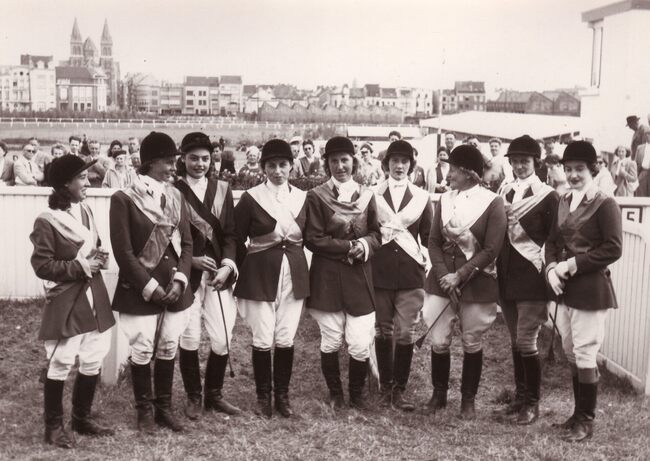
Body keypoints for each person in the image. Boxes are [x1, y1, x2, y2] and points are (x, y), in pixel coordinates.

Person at [110, 131, 193, 434]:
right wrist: (150, 287)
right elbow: (123, 252)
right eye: (168, 161)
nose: (173, 167)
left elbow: (187, 245)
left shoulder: (176, 196)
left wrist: (180, 280)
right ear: (150, 163)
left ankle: (164, 409)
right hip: (141, 289)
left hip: (174, 287)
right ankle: (144, 411)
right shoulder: (123, 198)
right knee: (143, 348)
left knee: (169, 345)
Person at [29, 155, 115, 448]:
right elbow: (42, 265)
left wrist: (99, 256)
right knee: (62, 359)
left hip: (94, 294)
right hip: (67, 299)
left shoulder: (86, 210)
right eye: (82, 177)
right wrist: (80, 266)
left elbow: (94, 245)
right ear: (65, 183)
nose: (88, 182)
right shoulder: (46, 220)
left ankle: (82, 417)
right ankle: (53, 427)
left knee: (94, 355)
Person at [421, 145, 506, 419]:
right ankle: (439, 394)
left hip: (476, 282)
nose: (448, 175)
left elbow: (491, 249)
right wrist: (443, 274)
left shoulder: (492, 202)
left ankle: (468, 400)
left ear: (469, 173)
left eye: (454, 170)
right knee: (438, 339)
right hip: (441, 280)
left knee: (472, 340)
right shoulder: (445, 200)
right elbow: (433, 242)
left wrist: (460, 275)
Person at [545, 141, 622, 442]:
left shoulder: (605, 203)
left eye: (579, 169)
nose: (573, 175)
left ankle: (586, 421)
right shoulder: (564, 199)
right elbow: (552, 242)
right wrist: (552, 269)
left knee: (585, 352)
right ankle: (576, 415)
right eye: (568, 169)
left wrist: (573, 264)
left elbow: (613, 248)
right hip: (564, 287)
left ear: (593, 169)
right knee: (570, 350)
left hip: (590, 288)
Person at [235, 139, 310, 418]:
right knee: (263, 335)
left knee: (286, 336)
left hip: (294, 274)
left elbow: (313, 236)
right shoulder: (251, 198)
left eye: (283, 165)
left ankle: (282, 396)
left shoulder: (303, 198)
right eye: (271, 166)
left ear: (291, 166)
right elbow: (235, 237)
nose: (277, 171)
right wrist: (240, 268)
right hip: (260, 275)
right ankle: (263, 396)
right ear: (263, 168)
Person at [305, 136, 381, 410]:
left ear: (354, 162)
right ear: (327, 164)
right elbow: (313, 238)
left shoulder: (367, 195)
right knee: (331, 339)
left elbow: (376, 233)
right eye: (334, 161)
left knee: (359, 341)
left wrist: (365, 245)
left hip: (359, 276)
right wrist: (349, 246)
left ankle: (357, 394)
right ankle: (336, 393)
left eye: (345, 160)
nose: (340, 166)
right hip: (327, 276)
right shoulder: (316, 196)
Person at [174, 132, 240, 420]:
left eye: (204, 159)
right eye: (193, 158)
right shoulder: (173, 190)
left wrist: (227, 265)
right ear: (183, 159)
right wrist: (191, 261)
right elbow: (168, 237)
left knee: (223, 336)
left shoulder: (223, 189)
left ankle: (214, 394)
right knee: (189, 336)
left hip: (217, 274)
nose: (199, 164)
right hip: (187, 272)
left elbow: (231, 235)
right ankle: (193, 395)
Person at [494, 135, 559, 425]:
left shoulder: (548, 195)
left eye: (525, 161)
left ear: (536, 162)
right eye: (515, 161)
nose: (519, 166)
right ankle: (520, 397)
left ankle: (532, 404)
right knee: (515, 339)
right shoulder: (504, 190)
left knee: (526, 339)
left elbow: (555, 238)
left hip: (532, 276)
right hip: (507, 275)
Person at [372, 140, 433, 411]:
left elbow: (428, 237)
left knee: (405, 331)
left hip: (410, 273)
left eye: (404, 161)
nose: (399, 166)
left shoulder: (421, 197)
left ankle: (399, 390)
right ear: (386, 164)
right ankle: (385, 386)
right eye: (394, 161)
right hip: (379, 271)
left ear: (411, 165)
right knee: (383, 329)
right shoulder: (372, 194)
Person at [634, 130, 650, 197]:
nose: (648, 136)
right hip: (643, 172)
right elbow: (636, 163)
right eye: (647, 134)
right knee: (641, 194)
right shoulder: (640, 148)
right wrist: (636, 175)